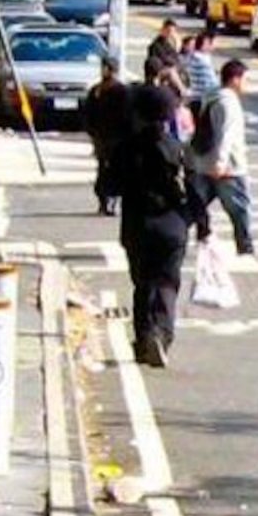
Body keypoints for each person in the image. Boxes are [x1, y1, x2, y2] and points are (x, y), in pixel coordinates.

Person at [114, 84, 190, 368]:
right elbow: (191, 190)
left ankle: (144, 336)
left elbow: (109, 185)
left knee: (143, 282)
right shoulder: (176, 148)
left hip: (137, 223)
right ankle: (162, 333)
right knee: (168, 282)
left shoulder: (126, 148)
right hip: (172, 224)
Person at [187, 58, 255, 259]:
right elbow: (225, 135)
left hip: (203, 162)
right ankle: (245, 246)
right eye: (245, 79)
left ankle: (192, 235)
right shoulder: (229, 103)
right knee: (240, 208)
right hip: (228, 168)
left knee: (196, 205)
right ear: (235, 79)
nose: (246, 84)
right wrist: (221, 162)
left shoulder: (211, 96)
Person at [84, 55, 130, 216]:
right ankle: (104, 201)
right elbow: (88, 114)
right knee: (103, 169)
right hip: (102, 137)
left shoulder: (121, 91)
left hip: (117, 138)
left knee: (115, 170)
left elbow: (126, 115)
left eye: (106, 68)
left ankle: (112, 201)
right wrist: (92, 133)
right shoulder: (96, 90)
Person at [182, 31, 221, 104]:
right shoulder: (202, 62)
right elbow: (213, 85)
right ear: (206, 43)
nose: (216, 45)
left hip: (194, 99)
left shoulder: (192, 56)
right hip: (201, 101)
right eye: (214, 42)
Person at [144, 18, 181, 84]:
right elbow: (165, 59)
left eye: (173, 31)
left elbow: (176, 58)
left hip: (170, 71)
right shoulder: (156, 45)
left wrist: (177, 45)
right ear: (163, 30)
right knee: (172, 72)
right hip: (160, 73)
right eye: (168, 31)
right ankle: (183, 91)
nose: (170, 33)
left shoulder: (169, 44)